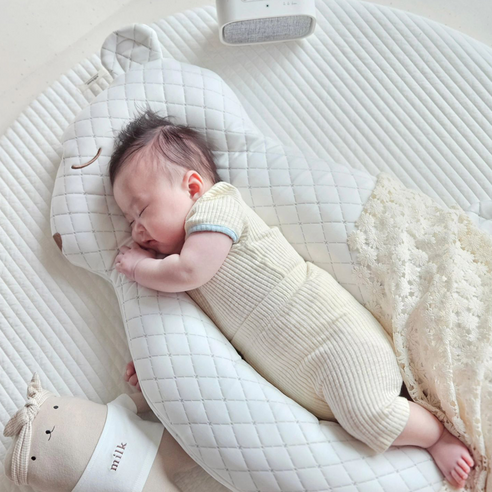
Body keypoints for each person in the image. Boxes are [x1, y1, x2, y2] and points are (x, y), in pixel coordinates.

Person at [111, 109, 474, 489]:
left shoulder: (216, 208)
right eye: (128, 221)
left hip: (336, 341)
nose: (135, 230)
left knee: (370, 415)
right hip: (311, 378)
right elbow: (195, 337)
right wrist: (156, 365)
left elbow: (189, 271)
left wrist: (138, 267)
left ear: (192, 187)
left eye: (142, 210)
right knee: (360, 421)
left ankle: (436, 437)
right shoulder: (179, 268)